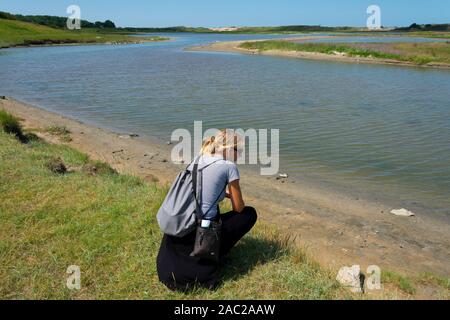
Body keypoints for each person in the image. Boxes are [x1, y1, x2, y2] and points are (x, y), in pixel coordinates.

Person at [157, 129, 258, 291]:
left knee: (215, 210)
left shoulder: (198, 159)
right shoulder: (229, 167)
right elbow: (238, 208)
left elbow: (201, 190)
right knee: (249, 214)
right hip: (202, 228)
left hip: (183, 219)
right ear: (227, 149)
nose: (239, 155)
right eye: (238, 150)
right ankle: (218, 252)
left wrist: (223, 193)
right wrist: (233, 195)